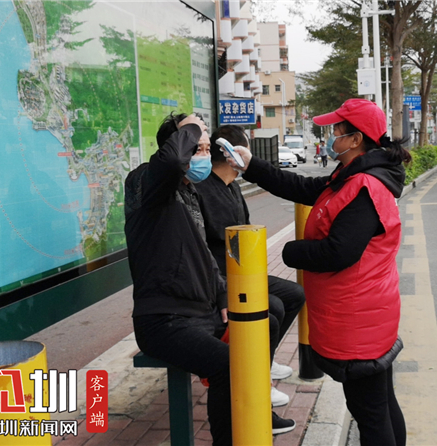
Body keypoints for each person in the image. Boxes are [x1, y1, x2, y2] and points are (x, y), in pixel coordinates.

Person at [225, 99, 408, 446]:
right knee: (381, 402)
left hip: (357, 318)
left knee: (370, 410)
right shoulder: (351, 175)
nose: (330, 135)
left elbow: (339, 252)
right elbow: (302, 188)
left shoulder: (365, 186)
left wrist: (289, 251)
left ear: (356, 139)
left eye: (337, 129)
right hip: (367, 312)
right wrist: (251, 165)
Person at [124, 113, 295, 446]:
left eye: (205, 149)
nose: (203, 156)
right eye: (196, 147)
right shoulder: (145, 182)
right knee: (227, 366)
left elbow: (203, 255)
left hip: (201, 311)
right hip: (164, 321)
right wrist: (190, 125)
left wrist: (221, 296)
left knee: (267, 321)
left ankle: (257, 413)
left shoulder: (189, 192)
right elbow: (170, 161)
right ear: (175, 146)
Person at [195, 125, 306, 407]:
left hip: (241, 274)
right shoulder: (204, 190)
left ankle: (264, 360)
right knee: (273, 306)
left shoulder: (232, 186)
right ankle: (257, 380)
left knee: (294, 294)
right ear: (232, 153)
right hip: (221, 279)